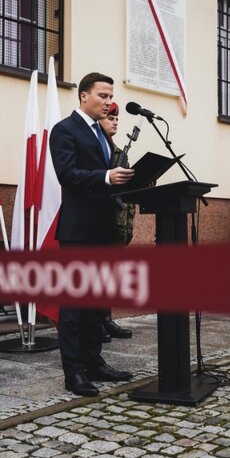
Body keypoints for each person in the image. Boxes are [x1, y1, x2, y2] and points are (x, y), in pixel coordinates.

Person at [49, 72, 135, 397]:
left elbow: (108, 177)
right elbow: (67, 174)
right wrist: (107, 177)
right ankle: (74, 373)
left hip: (103, 230)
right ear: (84, 96)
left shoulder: (103, 133)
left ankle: (94, 361)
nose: (108, 102)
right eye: (103, 95)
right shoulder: (64, 130)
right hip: (78, 232)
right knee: (74, 305)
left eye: (111, 96)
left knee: (97, 304)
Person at [97, 102, 135, 341]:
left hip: (119, 225)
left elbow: (129, 191)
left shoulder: (121, 153)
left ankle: (106, 320)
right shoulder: (96, 151)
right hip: (101, 224)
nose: (114, 122)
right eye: (110, 118)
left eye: (117, 119)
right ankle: (96, 323)